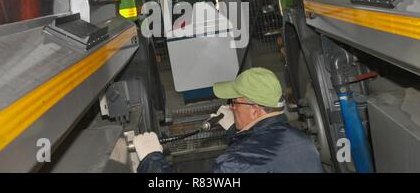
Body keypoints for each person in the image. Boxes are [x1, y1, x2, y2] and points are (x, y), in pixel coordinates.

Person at [133, 68, 323, 173]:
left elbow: (248, 161)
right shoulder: (304, 143)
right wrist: (235, 129)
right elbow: (261, 153)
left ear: (255, 111)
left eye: (234, 102)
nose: (231, 106)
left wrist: (151, 159)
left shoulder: (233, 164)